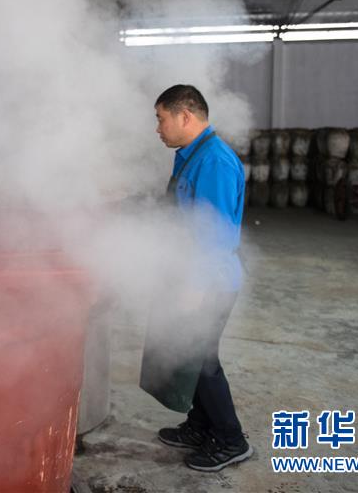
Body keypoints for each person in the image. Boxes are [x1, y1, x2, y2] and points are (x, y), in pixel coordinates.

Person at [147, 84, 251, 472]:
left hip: (209, 281)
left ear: (185, 116)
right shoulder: (191, 155)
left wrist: (195, 288)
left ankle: (231, 440)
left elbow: (215, 233)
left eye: (161, 118)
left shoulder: (215, 162)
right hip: (189, 275)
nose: (158, 128)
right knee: (189, 356)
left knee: (201, 359)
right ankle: (201, 425)